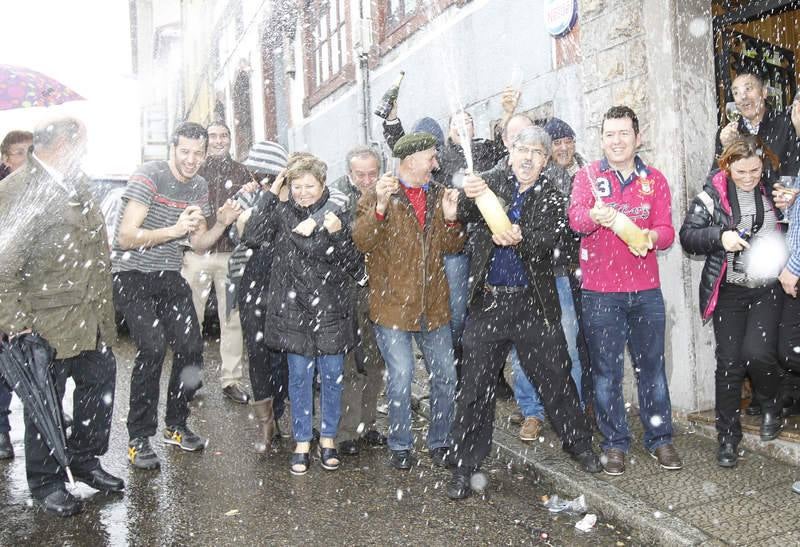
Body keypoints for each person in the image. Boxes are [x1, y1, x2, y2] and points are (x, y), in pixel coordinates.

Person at [447, 126, 601, 500]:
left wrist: (521, 238)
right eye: (523, 150)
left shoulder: (550, 195)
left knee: (557, 377)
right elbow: (462, 211)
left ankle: (578, 443)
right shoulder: (490, 182)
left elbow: (551, 243)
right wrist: (460, 200)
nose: (528, 158)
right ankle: (465, 465)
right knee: (474, 389)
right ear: (510, 152)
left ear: (546, 161)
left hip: (532, 304)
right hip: (488, 303)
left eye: (537, 153)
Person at [0, 116, 122, 516]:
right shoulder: (18, 190)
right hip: (46, 322)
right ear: (61, 145)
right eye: (81, 144)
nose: (85, 152)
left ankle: (86, 461)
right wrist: (18, 325)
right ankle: (47, 481)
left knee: (97, 393)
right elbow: (4, 265)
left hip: (91, 317)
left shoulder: (78, 182)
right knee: (46, 404)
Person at [112, 122, 241, 470]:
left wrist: (222, 223)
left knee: (190, 347)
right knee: (153, 346)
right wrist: (174, 229)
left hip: (168, 275)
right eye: (185, 151)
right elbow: (126, 236)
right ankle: (139, 437)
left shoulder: (199, 186)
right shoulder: (149, 175)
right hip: (131, 274)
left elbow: (197, 243)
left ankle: (176, 425)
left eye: (198, 153)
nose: (191, 159)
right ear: (172, 148)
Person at [569, 105, 682, 475]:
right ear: (601, 139)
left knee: (652, 368)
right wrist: (593, 218)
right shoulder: (587, 177)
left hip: (646, 292)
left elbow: (667, 232)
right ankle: (615, 443)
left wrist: (650, 235)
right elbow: (575, 220)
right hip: (600, 293)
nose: (616, 141)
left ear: (637, 137)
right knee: (606, 373)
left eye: (623, 133)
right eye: (609, 134)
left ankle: (660, 438)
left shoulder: (655, 180)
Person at [245, 154, 362, 475]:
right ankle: (301, 441)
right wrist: (273, 191)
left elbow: (354, 263)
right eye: (296, 186)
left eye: (309, 186)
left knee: (332, 377)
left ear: (323, 184)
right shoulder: (281, 212)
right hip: (293, 309)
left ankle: (327, 439)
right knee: (298, 378)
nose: (303, 192)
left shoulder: (338, 211)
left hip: (330, 308)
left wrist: (338, 234)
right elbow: (252, 236)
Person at [353, 132, 464, 470]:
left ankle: (441, 440)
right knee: (400, 378)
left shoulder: (441, 194)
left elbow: (453, 247)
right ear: (410, 160)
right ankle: (400, 444)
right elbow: (362, 240)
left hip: (434, 305)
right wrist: (381, 208)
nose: (435, 163)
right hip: (392, 307)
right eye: (430, 157)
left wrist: (450, 219)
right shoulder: (379, 194)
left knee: (446, 377)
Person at [680, 136, 784, 467]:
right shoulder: (712, 196)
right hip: (731, 289)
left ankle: (770, 403)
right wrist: (718, 237)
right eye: (741, 172)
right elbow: (687, 236)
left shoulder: (772, 188)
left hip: (768, 286)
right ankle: (727, 438)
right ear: (727, 166)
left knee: (759, 352)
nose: (749, 177)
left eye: (755, 170)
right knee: (729, 364)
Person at [508, 118, 590, 441]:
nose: (563, 147)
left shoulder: (584, 175)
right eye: (556, 142)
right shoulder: (534, 179)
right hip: (530, 275)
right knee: (523, 348)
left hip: (563, 275)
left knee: (568, 344)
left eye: (567, 139)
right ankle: (532, 411)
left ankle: (575, 408)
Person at [182, 122, 254, 404]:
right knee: (190, 320)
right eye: (213, 136)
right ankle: (190, 378)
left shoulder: (242, 172)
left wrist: (251, 190)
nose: (218, 141)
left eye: (223, 136)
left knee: (231, 319)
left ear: (230, 140)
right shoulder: (193, 170)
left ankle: (231, 380)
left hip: (230, 254)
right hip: (197, 255)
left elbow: (253, 208)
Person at [229, 140, 290, 452]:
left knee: (282, 353)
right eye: (258, 175)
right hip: (253, 282)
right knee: (258, 352)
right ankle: (266, 423)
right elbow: (250, 234)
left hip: (286, 284)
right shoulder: (244, 197)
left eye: (270, 175)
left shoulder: (294, 198)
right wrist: (268, 196)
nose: (262, 181)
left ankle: (278, 412)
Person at [328, 146, 388, 455]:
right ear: (349, 173)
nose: (366, 180)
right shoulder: (336, 197)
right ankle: (347, 431)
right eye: (360, 174)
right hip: (345, 290)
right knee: (350, 362)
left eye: (371, 173)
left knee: (375, 361)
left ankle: (368, 425)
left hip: (378, 289)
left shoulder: (388, 194)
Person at [0, 129, 33, 460]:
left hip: (27, 290)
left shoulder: (37, 193)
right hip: (4, 289)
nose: (27, 158)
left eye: (31, 151)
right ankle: (1, 429)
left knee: (25, 355)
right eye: (20, 152)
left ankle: (39, 411)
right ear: (6, 159)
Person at [716, 70, 800, 183]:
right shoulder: (728, 133)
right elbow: (716, 180)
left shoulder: (786, 123)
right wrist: (726, 149)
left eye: (748, 89)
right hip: (744, 200)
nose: (743, 96)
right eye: (736, 93)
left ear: (764, 92)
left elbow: (795, 168)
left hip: (781, 197)